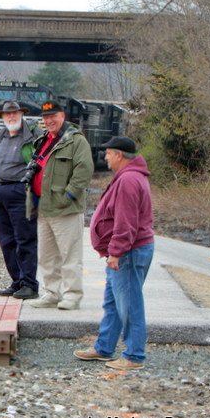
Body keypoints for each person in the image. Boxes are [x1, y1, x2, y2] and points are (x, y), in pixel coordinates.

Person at [74, 136, 154, 370]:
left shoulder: (129, 179)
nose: (106, 157)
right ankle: (104, 348)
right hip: (127, 251)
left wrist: (116, 252)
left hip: (129, 252)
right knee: (113, 303)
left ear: (119, 155)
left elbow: (126, 222)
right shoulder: (129, 176)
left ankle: (134, 356)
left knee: (129, 305)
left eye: (108, 153)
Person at [27, 101, 94, 310]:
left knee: (70, 255)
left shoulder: (75, 141)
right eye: (46, 118)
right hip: (43, 208)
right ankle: (51, 293)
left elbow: (84, 171)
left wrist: (68, 196)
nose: (49, 121)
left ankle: (72, 295)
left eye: (53, 117)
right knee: (47, 257)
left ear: (62, 116)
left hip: (65, 209)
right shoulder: (42, 140)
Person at [0, 101, 43, 299]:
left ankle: (30, 284)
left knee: (25, 238)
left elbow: (41, 163)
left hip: (21, 191)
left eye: (15, 114)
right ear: (2, 117)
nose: (12, 117)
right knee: (6, 240)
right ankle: (17, 281)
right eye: (8, 114)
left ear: (21, 115)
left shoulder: (33, 136)